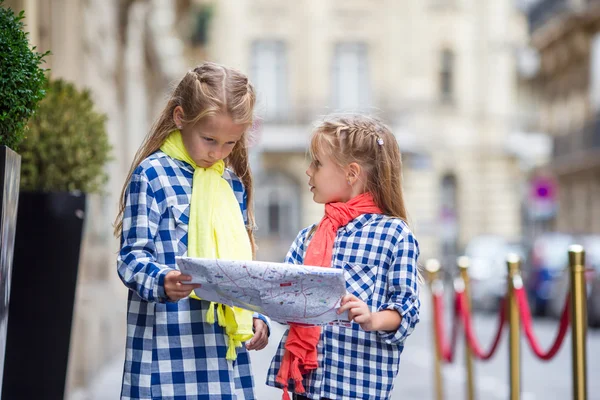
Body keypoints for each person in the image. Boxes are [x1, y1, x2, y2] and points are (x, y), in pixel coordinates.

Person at [114, 62, 269, 400]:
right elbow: (131, 257)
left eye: (230, 143)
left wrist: (255, 317)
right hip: (169, 346)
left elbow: (241, 266)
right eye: (209, 139)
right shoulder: (152, 174)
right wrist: (161, 280)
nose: (217, 152)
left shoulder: (232, 184)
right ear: (181, 117)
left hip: (222, 353)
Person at [266, 115, 421, 400]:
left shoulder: (394, 234)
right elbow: (279, 293)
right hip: (306, 386)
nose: (308, 172)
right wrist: (260, 311)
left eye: (317, 163)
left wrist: (373, 318)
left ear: (351, 173)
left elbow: (407, 310)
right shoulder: (308, 236)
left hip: (358, 386)